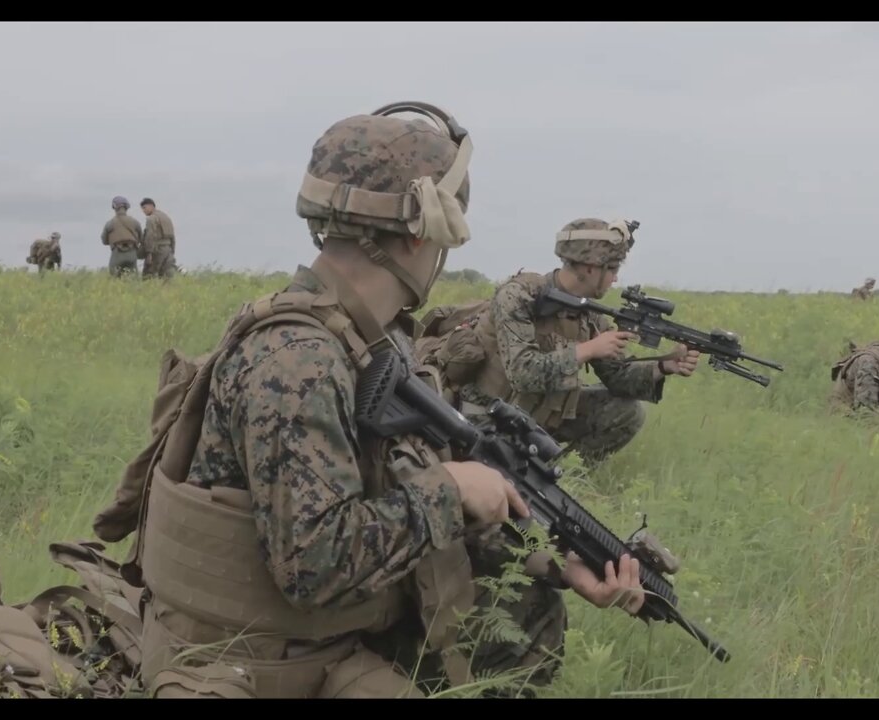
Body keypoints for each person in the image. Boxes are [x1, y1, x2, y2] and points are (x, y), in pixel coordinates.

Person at [91, 101, 646, 699]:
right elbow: (314, 565)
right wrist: (452, 488)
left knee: (528, 611)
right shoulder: (298, 359)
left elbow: (399, 486)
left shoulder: (373, 342)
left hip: (317, 632)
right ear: (422, 227)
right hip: (257, 659)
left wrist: (557, 561)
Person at [426, 217, 699, 467]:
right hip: (484, 415)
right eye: (612, 268)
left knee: (627, 412)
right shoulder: (519, 295)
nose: (616, 278)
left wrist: (663, 367)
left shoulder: (590, 315)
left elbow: (618, 379)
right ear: (590, 269)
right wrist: (588, 349)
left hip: (538, 417)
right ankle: (528, 474)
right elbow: (523, 373)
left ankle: (563, 477)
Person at [101, 196, 144, 276]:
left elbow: (104, 240)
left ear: (114, 207)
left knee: (114, 277)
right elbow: (141, 238)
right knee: (133, 279)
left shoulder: (110, 223)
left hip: (117, 253)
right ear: (126, 207)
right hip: (132, 253)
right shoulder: (135, 222)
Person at [139, 198, 178, 278]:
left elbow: (150, 236)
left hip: (157, 249)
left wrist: (149, 253)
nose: (143, 211)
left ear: (151, 206)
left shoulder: (151, 219)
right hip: (168, 249)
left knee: (148, 275)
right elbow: (172, 236)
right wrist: (172, 251)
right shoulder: (166, 217)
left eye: (144, 208)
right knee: (166, 277)